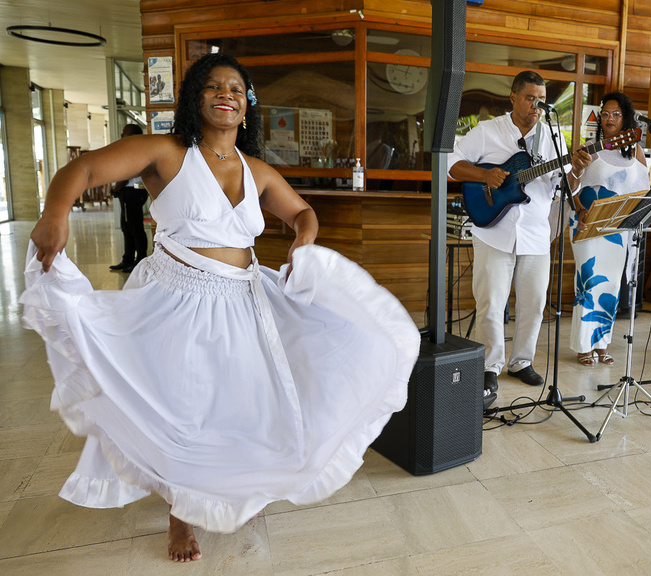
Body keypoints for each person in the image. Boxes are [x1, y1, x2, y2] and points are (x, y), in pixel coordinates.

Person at [21, 53, 419, 562]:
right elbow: (85, 167)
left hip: (243, 298)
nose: (226, 93)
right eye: (213, 86)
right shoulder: (166, 153)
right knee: (187, 406)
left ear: (246, 107)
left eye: (236, 88)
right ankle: (181, 516)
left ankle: (233, 486)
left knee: (244, 401)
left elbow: (303, 212)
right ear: (195, 99)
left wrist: (303, 240)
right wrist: (56, 214)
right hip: (177, 298)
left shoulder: (256, 170)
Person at [448, 70, 589, 397]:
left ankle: (522, 362)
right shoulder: (488, 131)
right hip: (493, 231)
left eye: (540, 100)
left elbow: (566, 186)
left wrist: (578, 169)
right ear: (513, 97)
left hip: (537, 235)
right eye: (529, 98)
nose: (535, 106)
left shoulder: (553, 138)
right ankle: (490, 366)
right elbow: (452, 163)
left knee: (534, 303)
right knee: (491, 303)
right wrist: (485, 174)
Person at [568, 91, 648, 366]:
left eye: (616, 114)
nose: (609, 118)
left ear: (625, 118)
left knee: (612, 286)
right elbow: (572, 186)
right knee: (588, 282)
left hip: (617, 227)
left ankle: (602, 343)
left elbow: (642, 189)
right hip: (586, 222)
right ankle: (583, 346)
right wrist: (579, 209)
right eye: (605, 114)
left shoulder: (634, 149)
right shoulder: (588, 147)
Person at [109, 123, 150, 273]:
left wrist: (116, 188)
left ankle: (139, 261)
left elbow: (127, 174)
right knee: (127, 227)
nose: (121, 136)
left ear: (132, 136)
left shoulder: (135, 149)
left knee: (135, 227)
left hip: (132, 192)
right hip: (129, 192)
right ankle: (127, 259)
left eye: (124, 133)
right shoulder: (136, 149)